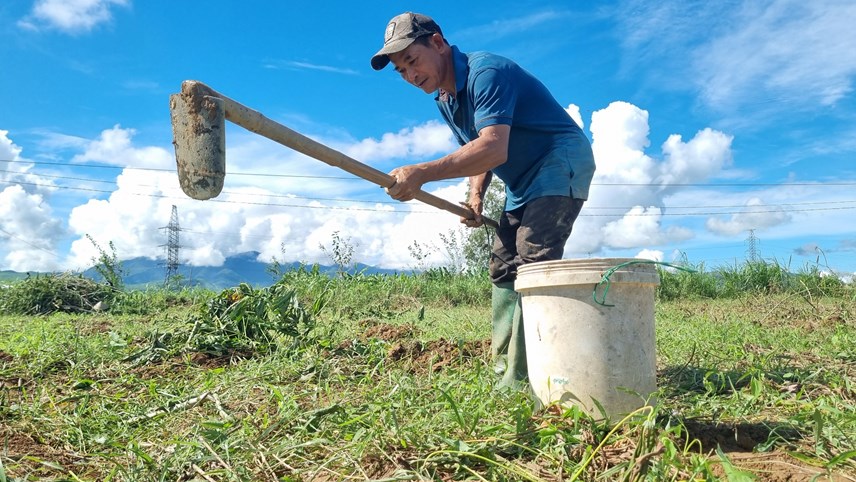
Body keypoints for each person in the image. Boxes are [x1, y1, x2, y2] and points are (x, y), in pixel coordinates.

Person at [371, 12, 595, 389]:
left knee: (533, 262)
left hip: (559, 161)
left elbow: (493, 147)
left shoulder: (486, 73)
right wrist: (475, 198)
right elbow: (476, 149)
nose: (410, 75)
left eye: (412, 61)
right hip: (520, 182)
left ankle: (527, 378)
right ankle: (506, 372)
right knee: (504, 267)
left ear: (438, 44)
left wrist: (422, 172)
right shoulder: (446, 100)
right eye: (401, 70)